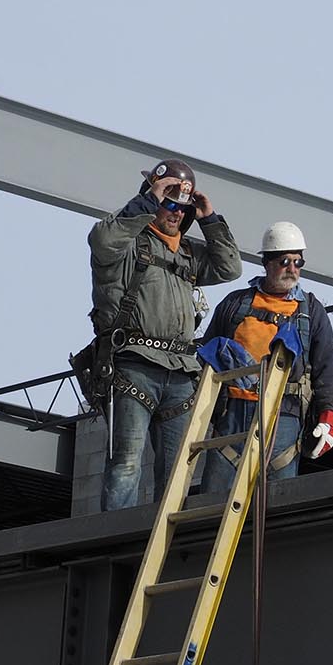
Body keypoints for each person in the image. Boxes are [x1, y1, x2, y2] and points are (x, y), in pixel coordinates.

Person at [89, 158, 242, 510]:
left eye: (181, 207)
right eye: (168, 203)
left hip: (181, 372)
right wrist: (147, 200)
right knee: (126, 464)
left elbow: (229, 267)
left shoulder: (187, 252)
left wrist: (210, 220)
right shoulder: (125, 246)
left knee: (177, 474)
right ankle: (114, 538)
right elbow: (102, 240)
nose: (174, 212)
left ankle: (167, 543)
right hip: (133, 366)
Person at [198, 221, 333, 494]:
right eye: (285, 260)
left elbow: (328, 371)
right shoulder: (234, 304)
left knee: (279, 502)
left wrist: (329, 419)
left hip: (284, 415)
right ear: (267, 262)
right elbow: (206, 357)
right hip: (232, 415)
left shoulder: (311, 311)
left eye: (298, 262)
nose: (292, 269)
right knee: (214, 501)